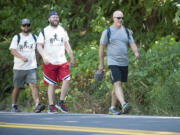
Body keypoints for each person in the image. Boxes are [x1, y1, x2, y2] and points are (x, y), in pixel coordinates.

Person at [98, 10, 139, 115]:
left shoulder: (126, 31)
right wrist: (101, 64)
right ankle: (124, 104)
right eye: (118, 18)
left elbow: (132, 43)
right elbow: (101, 48)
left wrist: (136, 52)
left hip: (124, 62)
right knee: (117, 83)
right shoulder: (107, 32)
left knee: (116, 85)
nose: (120, 20)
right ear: (113, 18)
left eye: (122, 18)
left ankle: (112, 107)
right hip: (113, 62)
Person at [37, 11, 74, 114]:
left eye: (57, 17)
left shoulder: (62, 30)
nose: (55, 19)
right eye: (53, 17)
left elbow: (67, 44)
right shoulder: (44, 31)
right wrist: (44, 56)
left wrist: (72, 57)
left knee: (67, 79)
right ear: (49, 19)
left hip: (62, 61)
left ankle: (61, 102)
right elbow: (39, 45)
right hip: (50, 62)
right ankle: (51, 106)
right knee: (52, 84)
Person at [9, 18, 45, 113]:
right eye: (24, 25)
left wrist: (37, 61)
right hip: (19, 67)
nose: (26, 27)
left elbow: (38, 49)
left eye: (28, 25)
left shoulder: (34, 37)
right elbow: (12, 50)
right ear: (21, 26)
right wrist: (21, 57)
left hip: (31, 66)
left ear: (30, 26)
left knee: (33, 85)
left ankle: (37, 105)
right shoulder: (17, 37)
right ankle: (14, 105)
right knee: (17, 87)